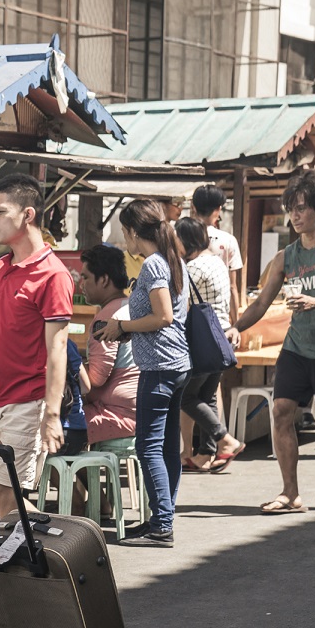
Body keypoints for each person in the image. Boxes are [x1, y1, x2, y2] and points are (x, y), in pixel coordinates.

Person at [232, 171, 315, 514]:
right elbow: (261, 303)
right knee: (281, 412)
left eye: (301, 208)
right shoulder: (286, 257)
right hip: (296, 347)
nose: (294, 215)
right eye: (291, 208)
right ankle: (290, 494)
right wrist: (234, 329)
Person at [0, 173, 73, 520]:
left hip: (26, 402)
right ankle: (48, 537)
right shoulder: (1, 266)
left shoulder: (53, 275)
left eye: (0, 212)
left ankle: (45, 556)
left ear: (28, 215)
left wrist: (52, 414)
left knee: (6, 494)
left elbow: (58, 348)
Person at [96, 200, 191, 548]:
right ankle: (159, 518)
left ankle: (161, 524)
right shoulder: (173, 260)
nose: (125, 241)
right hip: (177, 363)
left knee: (148, 446)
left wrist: (122, 324)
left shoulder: (153, 264)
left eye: (124, 233)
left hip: (159, 366)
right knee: (166, 446)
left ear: (134, 232)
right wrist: (124, 330)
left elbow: (163, 316)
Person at [175, 217, 245, 473]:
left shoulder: (193, 268)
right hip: (222, 335)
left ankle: (225, 439)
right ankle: (208, 452)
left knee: (185, 395)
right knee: (206, 395)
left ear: (185, 241)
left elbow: (181, 305)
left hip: (202, 339)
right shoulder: (217, 262)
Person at [78, 244, 139, 443]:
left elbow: (95, 379)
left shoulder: (105, 318)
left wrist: (70, 360)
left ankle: (75, 474)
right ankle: (81, 474)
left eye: (85, 277)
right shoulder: (131, 307)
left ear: (103, 279)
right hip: (140, 409)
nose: (80, 284)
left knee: (53, 430)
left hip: (118, 413)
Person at [191, 184, 244, 325]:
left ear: (194, 207)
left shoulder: (181, 237)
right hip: (219, 320)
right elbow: (233, 287)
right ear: (218, 209)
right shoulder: (228, 240)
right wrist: (236, 325)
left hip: (190, 319)